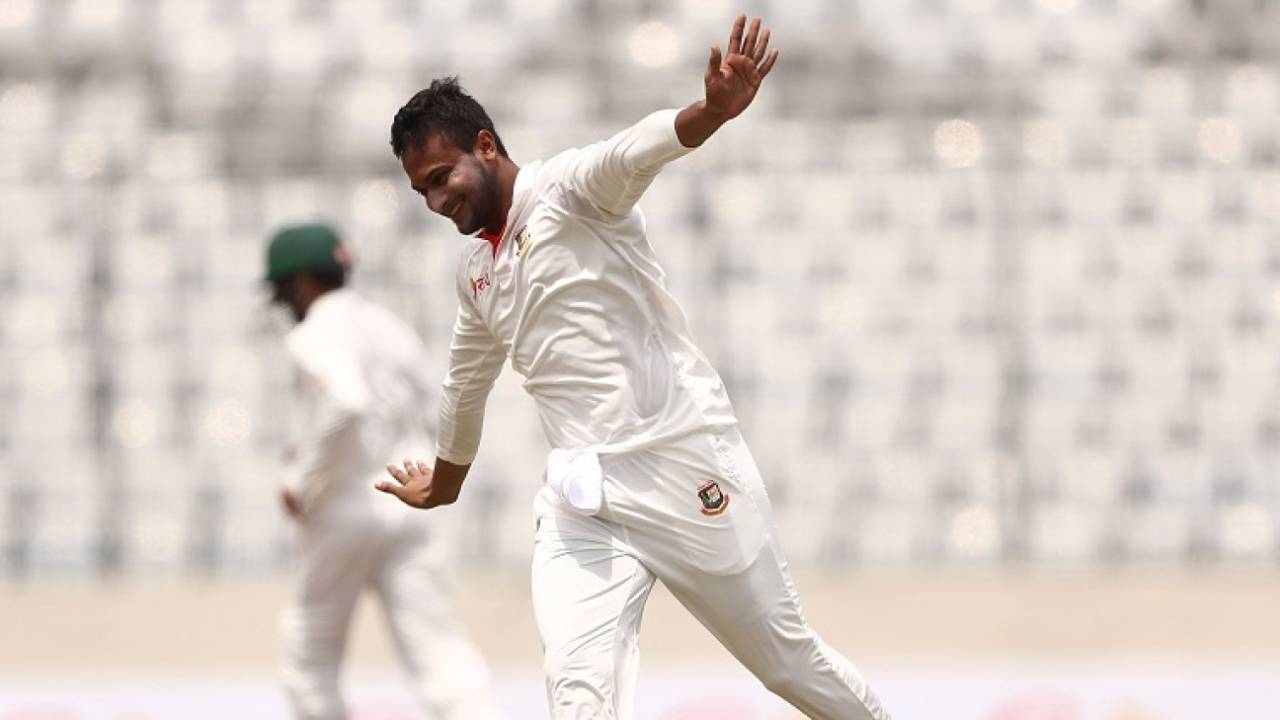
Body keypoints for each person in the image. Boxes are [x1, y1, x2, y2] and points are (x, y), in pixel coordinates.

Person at [378, 15, 891, 720]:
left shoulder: (571, 192)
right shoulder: (475, 272)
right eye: (422, 193)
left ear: (486, 146)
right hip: (583, 502)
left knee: (786, 662)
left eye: (442, 178)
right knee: (577, 691)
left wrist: (710, 111)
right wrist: (445, 482)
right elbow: (465, 384)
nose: (437, 202)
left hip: (682, 467)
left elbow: (634, 151)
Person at [263, 223, 502, 720]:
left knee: (311, 657)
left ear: (302, 283)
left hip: (343, 509)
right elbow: (436, 404)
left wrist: (300, 478)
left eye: (283, 290)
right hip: (405, 505)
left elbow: (347, 399)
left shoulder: (314, 333)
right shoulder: (387, 327)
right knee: (441, 657)